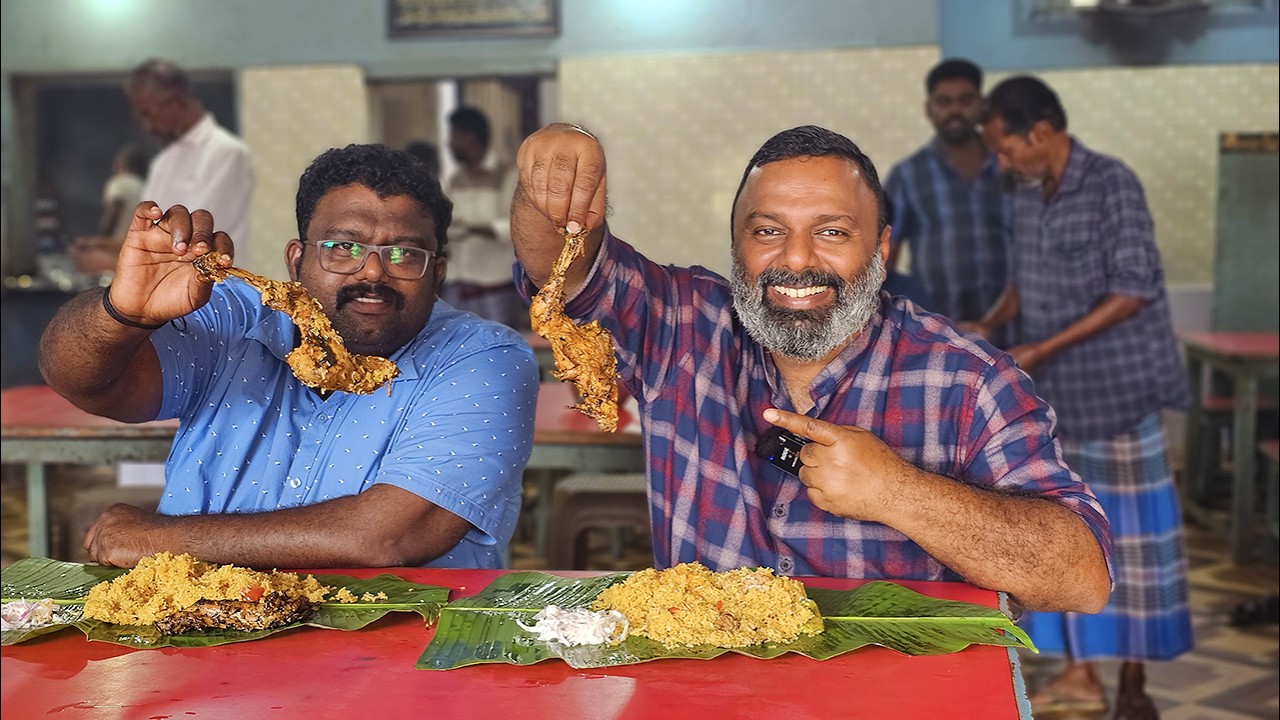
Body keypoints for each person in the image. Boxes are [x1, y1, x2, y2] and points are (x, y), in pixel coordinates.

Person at [510, 122, 1114, 614]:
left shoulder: (969, 380)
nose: (796, 260)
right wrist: (558, 166)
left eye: (831, 232)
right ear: (737, 249)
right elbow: (563, 272)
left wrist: (895, 491)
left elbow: (1082, 576)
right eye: (768, 231)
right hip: (711, 699)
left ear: (880, 249)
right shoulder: (685, 329)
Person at [38, 144, 539, 570]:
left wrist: (161, 540)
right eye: (342, 247)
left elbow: (388, 536)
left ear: (438, 272)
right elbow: (84, 381)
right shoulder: (232, 316)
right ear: (296, 259)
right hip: (195, 652)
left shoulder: (484, 359)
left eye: (404, 255)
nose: (372, 274)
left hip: (394, 665)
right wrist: (123, 312)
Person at [970, 76, 1192, 720]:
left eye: (1008, 148)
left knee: (1136, 544)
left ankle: (1132, 680)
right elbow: (1026, 282)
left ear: (1040, 131)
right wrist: (993, 324)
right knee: (1071, 538)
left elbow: (1133, 289)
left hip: (1121, 394)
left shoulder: (1110, 183)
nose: (1003, 163)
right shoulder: (1025, 193)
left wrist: (1042, 349)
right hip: (1061, 402)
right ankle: (1081, 673)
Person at [883, 58, 1011, 345]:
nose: (955, 110)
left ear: (982, 105)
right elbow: (885, 252)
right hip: (937, 332)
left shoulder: (1011, 165)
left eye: (965, 100)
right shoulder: (908, 174)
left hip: (1016, 329)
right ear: (930, 109)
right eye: (945, 102)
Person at [128, 58, 255, 253]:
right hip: (166, 278)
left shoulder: (226, 152)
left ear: (177, 101)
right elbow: (144, 228)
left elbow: (197, 236)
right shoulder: (163, 162)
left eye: (149, 113)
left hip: (216, 281)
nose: (148, 126)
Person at [441, 106, 526, 330]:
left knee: (496, 350)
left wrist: (472, 229)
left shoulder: (507, 175)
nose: (449, 144)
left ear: (470, 137)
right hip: (457, 285)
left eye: (453, 136)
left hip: (494, 286)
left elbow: (515, 228)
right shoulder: (456, 179)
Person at [99, 144, 149, 241]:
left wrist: (102, 238)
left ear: (120, 163)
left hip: (115, 244)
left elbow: (114, 209)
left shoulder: (119, 183)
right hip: (135, 244)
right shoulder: (145, 187)